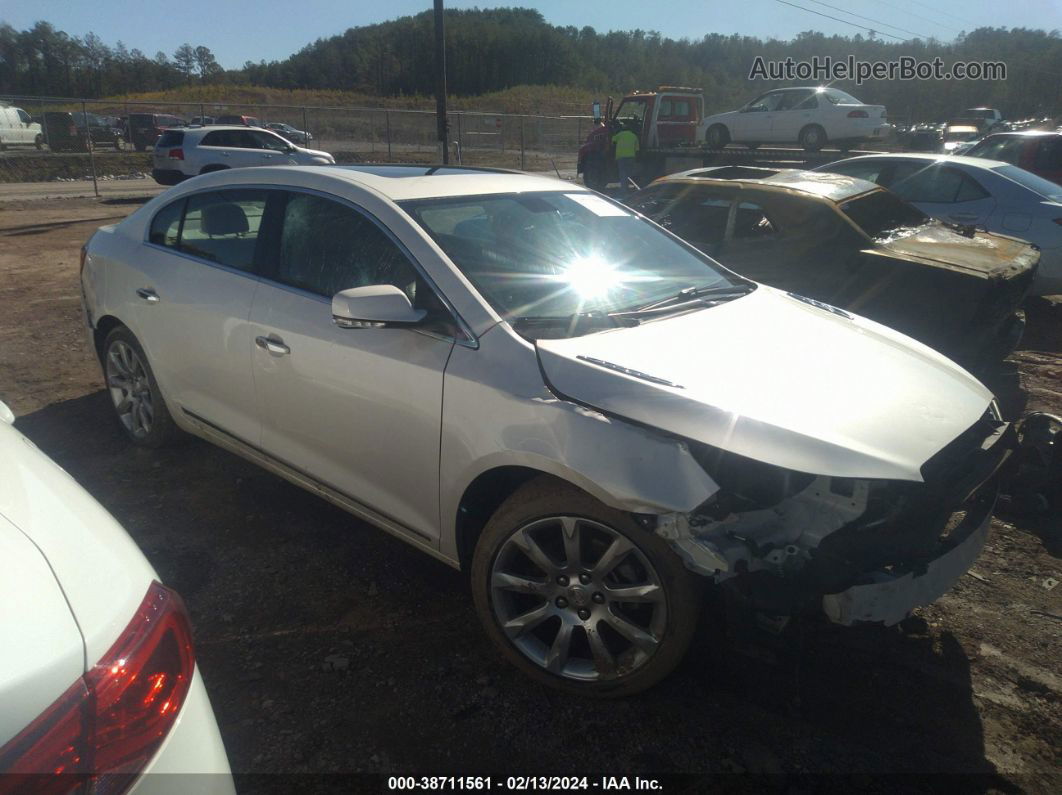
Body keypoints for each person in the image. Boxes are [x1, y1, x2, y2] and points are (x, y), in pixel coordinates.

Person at [611, 122, 640, 195]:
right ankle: (632, 187)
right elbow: (637, 149)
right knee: (629, 173)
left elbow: (613, 140)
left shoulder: (620, 135)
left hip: (621, 157)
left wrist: (614, 132)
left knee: (623, 174)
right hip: (631, 157)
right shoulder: (634, 136)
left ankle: (624, 190)